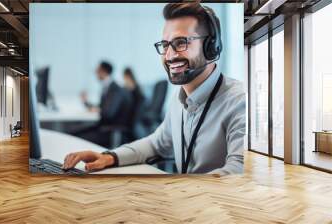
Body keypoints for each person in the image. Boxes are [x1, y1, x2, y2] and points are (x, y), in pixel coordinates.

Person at [65, 2, 246, 175]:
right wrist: (110, 157)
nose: (169, 55)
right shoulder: (178, 98)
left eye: (181, 42)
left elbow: (238, 169)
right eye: (165, 44)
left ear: (211, 47)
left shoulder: (239, 101)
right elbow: (157, 144)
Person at [77, 61, 132, 147]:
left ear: (103, 71)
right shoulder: (107, 87)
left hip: (110, 131)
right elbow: (101, 107)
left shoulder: (115, 89)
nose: (95, 73)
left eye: (97, 70)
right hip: (103, 127)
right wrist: (86, 102)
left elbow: (108, 113)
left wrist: (98, 109)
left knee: (76, 137)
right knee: (72, 133)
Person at [123, 67, 146, 140]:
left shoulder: (131, 87)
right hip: (137, 115)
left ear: (127, 76)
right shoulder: (137, 86)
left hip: (134, 117)